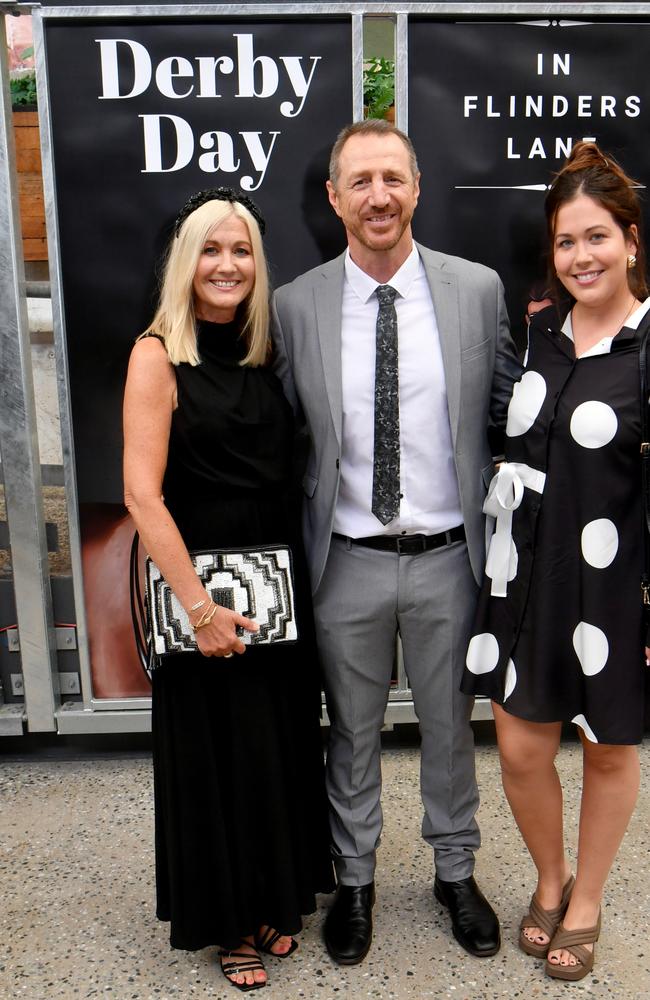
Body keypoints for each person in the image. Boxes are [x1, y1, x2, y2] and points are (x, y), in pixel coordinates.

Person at [271, 119, 521, 964]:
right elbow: (280, 434)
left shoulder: (477, 291)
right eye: (360, 182)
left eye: (394, 178)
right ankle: (355, 880)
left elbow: (506, 415)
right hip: (347, 561)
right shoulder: (296, 305)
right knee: (350, 729)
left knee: (453, 726)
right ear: (334, 197)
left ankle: (456, 872)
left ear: (417, 188)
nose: (379, 196)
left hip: (452, 556)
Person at [123, 187, 334, 992]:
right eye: (211, 249)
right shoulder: (156, 355)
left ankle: (275, 894)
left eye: (241, 250)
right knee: (219, 755)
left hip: (279, 586)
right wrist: (200, 610)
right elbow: (144, 495)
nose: (227, 264)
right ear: (185, 260)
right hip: (203, 594)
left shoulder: (265, 350)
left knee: (275, 746)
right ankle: (228, 920)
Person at [461, 141, 650, 982]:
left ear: (632, 241)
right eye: (568, 241)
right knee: (520, 750)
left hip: (617, 590)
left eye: (598, 236)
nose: (583, 256)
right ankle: (549, 875)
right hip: (524, 578)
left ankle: (588, 899)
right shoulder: (538, 332)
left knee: (608, 748)